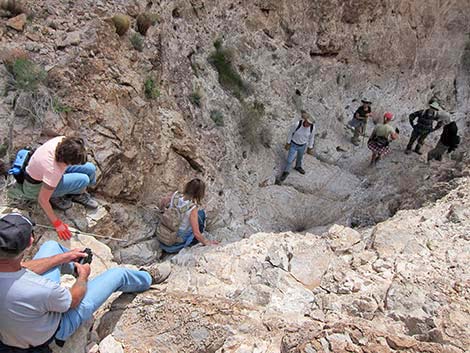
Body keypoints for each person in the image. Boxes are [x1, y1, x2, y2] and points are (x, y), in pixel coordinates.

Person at [0, 212, 171, 352]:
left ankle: (72, 266)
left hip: (14, 327)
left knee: (51, 246)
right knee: (118, 274)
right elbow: (73, 300)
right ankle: (147, 278)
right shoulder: (41, 289)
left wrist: (65, 257)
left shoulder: (19, 275)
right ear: (30, 242)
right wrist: (83, 276)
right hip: (51, 333)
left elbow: (22, 267)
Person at [9, 136, 98, 240]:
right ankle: (67, 194)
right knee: (83, 180)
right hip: (36, 187)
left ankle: (79, 190)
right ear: (66, 161)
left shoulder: (62, 141)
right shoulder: (52, 170)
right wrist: (57, 223)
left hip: (41, 172)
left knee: (90, 168)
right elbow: (42, 200)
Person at [158, 178, 218, 253]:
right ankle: (192, 242)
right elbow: (196, 233)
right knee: (201, 214)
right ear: (199, 193)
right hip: (174, 243)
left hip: (164, 234)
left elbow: (163, 202)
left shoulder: (175, 194)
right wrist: (208, 242)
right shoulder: (192, 208)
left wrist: (164, 211)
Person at [279, 110, 315, 182]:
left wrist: (310, 147)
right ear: (305, 120)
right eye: (308, 123)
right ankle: (286, 172)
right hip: (293, 144)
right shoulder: (297, 124)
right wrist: (288, 143)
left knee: (300, 157)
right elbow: (290, 133)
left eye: (310, 124)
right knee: (289, 160)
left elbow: (311, 137)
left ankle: (298, 167)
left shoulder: (312, 128)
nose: (308, 125)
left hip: (303, 145)